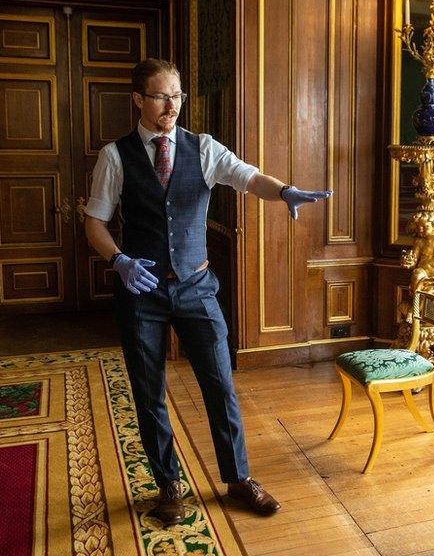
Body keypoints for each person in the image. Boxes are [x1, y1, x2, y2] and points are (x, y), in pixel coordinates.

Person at [84, 58, 331, 524]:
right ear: (138, 99)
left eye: (176, 95)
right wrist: (118, 261)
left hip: (197, 288)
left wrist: (285, 192)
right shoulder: (115, 156)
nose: (170, 106)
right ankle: (169, 485)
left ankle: (238, 479)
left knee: (219, 384)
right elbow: (94, 221)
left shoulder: (203, 148)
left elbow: (248, 176)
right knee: (149, 391)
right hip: (143, 293)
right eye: (160, 96)